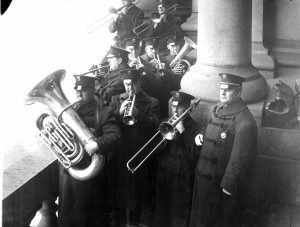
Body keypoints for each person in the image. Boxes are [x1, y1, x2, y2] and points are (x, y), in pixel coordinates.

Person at [189, 73, 258, 227]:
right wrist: (200, 135)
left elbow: (239, 158)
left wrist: (229, 184)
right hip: (203, 175)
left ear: (239, 92)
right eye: (221, 89)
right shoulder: (218, 108)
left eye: (228, 90)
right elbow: (207, 127)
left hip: (218, 183)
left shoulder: (245, 122)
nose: (223, 93)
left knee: (215, 219)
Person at [58, 74, 120, 227]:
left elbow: (114, 136)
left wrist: (97, 144)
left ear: (92, 90)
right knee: (67, 215)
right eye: (77, 91)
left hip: (91, 175)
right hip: (70, 173)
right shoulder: (70, 112)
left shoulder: (104, 112)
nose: (78, 94)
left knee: (88, 217)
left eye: (83, 91)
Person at [109, 69, 160, 227]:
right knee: (119, 195)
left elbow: (155, 129)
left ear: (139, 83)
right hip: (120, 154)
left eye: (131, 84)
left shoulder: (152, 102)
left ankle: (135, 223)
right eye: (125, 85)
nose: (128, 89)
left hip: (139, 154)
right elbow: (108, 125)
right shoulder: (115, 99)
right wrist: (118, 113)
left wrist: (139, 114)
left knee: (137, 196)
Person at [150, 91, 202, 227]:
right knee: (160, 216)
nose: (174, 109)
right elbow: (154, 152)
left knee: (178, 218)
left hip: (182, 181)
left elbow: (193, 156)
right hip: (164, 177)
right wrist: (164, 137)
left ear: (187, 108)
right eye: (173, 106)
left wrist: (183, 131)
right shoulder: (164, 123)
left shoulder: (196, 128)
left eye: (178, 106)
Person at [140, 37, 180, 118]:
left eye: (155, 48)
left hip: (160, 92)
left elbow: (169, 81)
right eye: (151, 48)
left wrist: (166, 71)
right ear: (146, 49)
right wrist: (149, 67)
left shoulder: (163, 60)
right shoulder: (141, 60)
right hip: (147, 91)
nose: (154, 51)